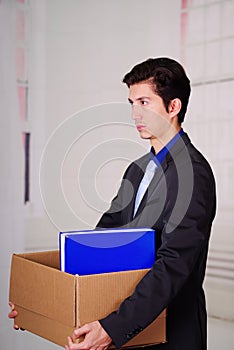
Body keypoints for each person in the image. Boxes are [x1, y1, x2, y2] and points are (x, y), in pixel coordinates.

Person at [9, 57, 216, 350]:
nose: (134, 114)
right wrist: (41, 304)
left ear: (173, 107)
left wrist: (113, 328)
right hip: (131, 329)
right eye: (131, 103)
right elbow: (104, 240)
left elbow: (174, 265)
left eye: (144, 102)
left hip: (170, 332)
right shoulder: (138, 169)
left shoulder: (193, 173)